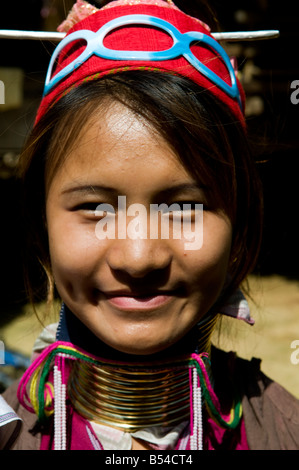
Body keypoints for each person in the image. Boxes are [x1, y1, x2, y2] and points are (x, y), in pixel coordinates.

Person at [1, 0, 299, 450]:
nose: (139, 258)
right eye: (97, 209)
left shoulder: (284, 433)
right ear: (42, 223)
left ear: (239, 224)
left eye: (183, 208)